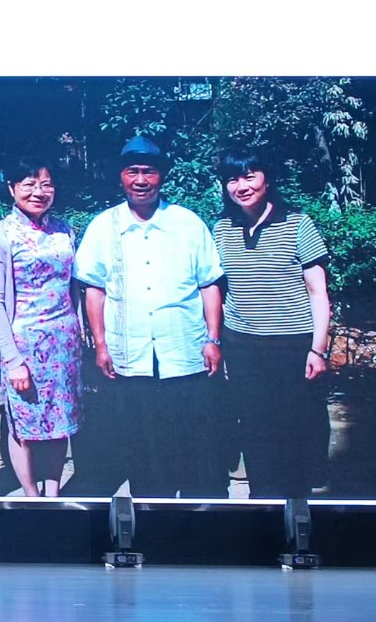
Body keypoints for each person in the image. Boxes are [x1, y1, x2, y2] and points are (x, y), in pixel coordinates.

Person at [73, 136, 227, 498]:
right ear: (121, 177)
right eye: (133, 172)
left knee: (194, 444)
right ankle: (152, 514)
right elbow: (94, 290)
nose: (141, 180)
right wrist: (101, 345)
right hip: (131, 357)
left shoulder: (187, 223)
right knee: (143, 448)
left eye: (149, 172)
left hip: (184, 354)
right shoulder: (103, 226)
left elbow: (209, 284)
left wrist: (213, 339)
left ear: (162, 176)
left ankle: (196, 517)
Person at [214, 146, 333, 498]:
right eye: (232, 179)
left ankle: (298, 506)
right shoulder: (221, 229)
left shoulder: (297, 223)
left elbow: (318, 293)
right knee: (255, 428)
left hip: (293, 346)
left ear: (267, 179)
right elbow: (218, 290)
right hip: (242, 347)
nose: (241, 186)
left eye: (249, 176)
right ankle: (262, 503)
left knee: (297, 430)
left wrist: (318, 349)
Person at [0, 161, 81, 497]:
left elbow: (73, 288)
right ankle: (31, 497)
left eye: (46, 184)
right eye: (29, 184)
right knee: (23, 424)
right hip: (23, 346)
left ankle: (53, 494)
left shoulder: (65, 231)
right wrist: (13, 360)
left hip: (64, 345)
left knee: (59, 421)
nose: (39, 192)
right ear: (11, 188)